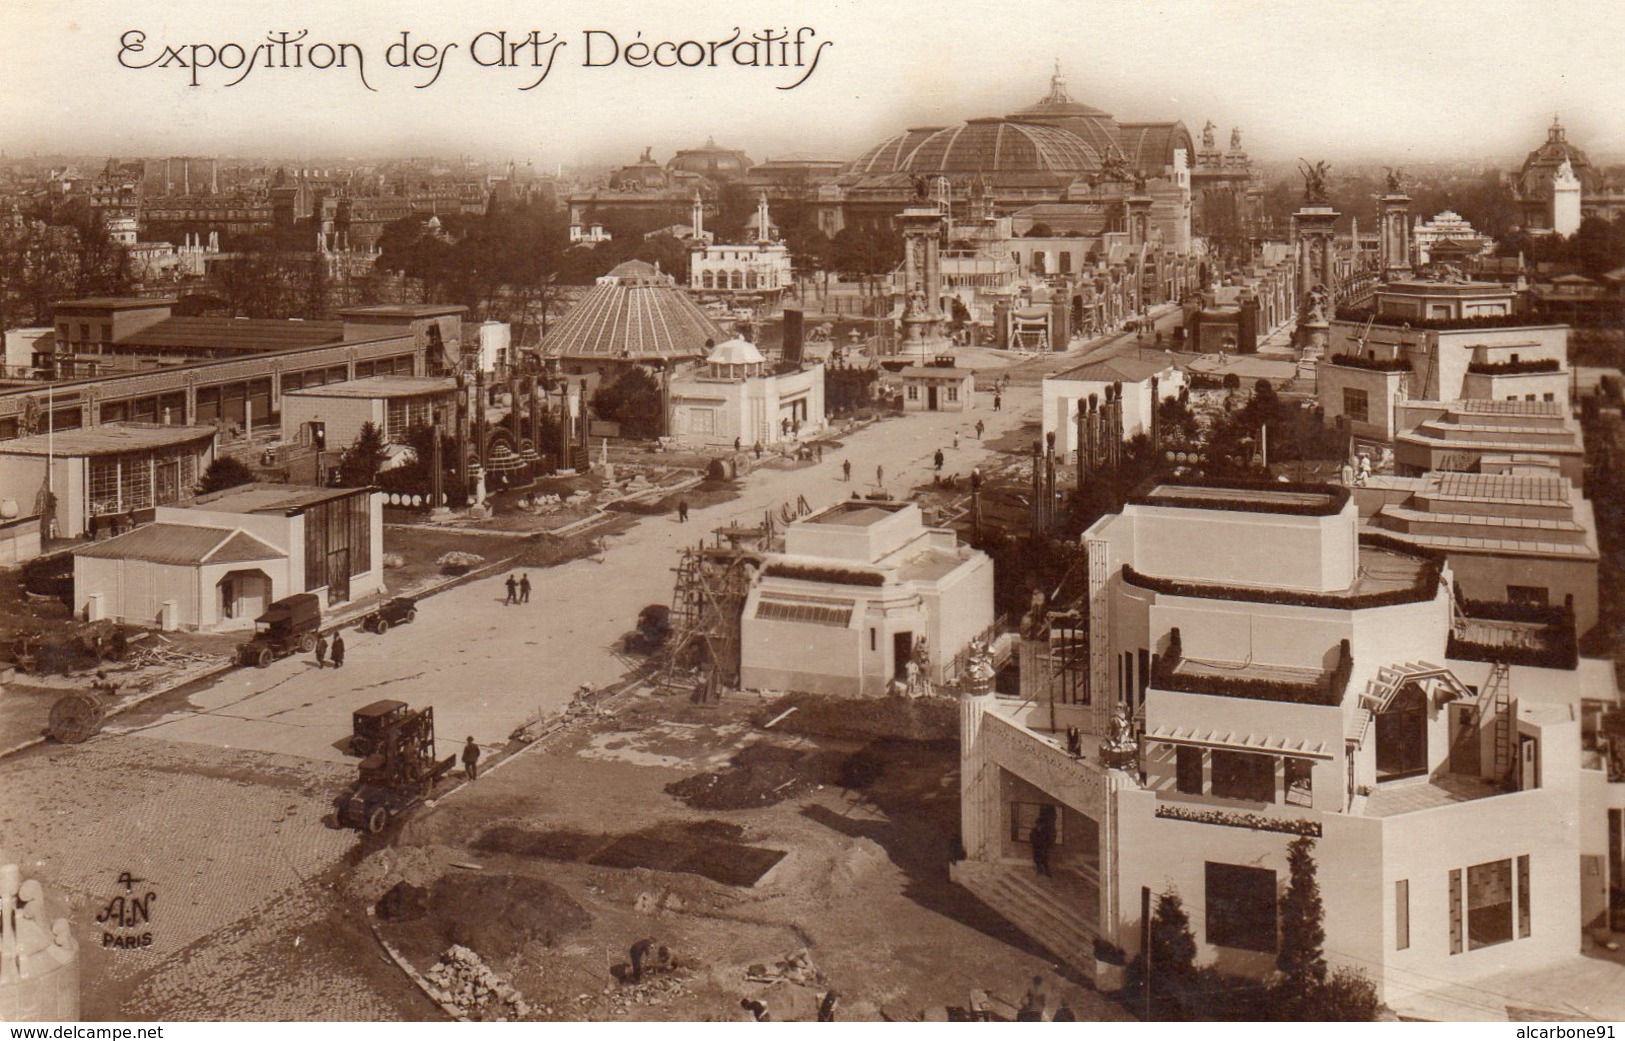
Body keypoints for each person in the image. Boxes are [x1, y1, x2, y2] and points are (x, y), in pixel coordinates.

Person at [1029, 805, 1056, 877]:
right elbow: (1031, 838)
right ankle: (1039, 871)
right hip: (1037, 848)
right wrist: (1035, 843)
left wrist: (1048, 844)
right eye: (1039, 824)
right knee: (1037, 860)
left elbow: (1048, 839)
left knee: (1045, 860)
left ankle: (1047, 872)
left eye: (1041, 824)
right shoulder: (1034, 830)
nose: (1040, 825)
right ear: (1037, 824)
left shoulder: (1045, 831)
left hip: (1043, 848)